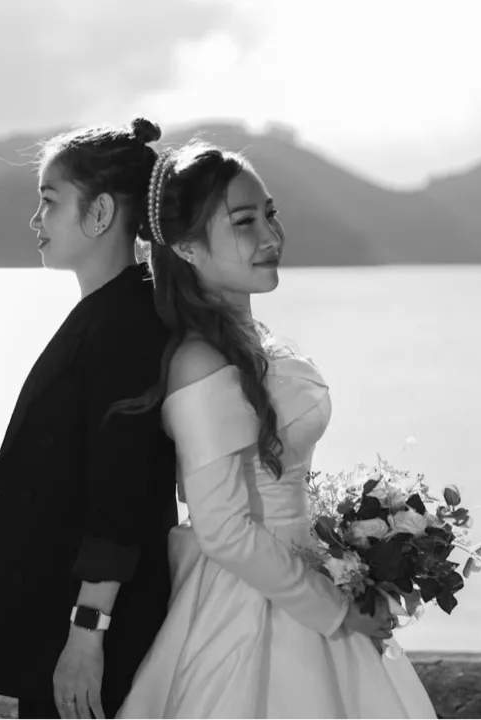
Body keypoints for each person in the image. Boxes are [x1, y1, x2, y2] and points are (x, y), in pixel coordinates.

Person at [112, 142, 438, 719]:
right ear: (187, 246)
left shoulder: (253, 339)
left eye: (270, 214)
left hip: (306, 567)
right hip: (251, 601)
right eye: (244, 222)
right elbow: (223, 531)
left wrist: (357, 547)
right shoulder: (200, 362)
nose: (270, 236)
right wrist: (337, 611)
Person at [0, 118, 179, 720]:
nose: (36, 220)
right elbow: (82, 461)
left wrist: (86, 636)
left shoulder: (124, 327)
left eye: (49, 201)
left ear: (99, 213)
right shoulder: (114, 310)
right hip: (73, 613)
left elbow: (122, 498)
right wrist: (1, 504)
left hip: (97, 629)